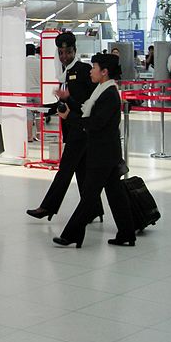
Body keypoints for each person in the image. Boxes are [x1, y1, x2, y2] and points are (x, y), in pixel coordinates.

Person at [53, 53, 136, 248]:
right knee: (115, 195)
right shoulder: (102, 90)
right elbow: (87, 110)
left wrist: (69, 118)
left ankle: (72, 234)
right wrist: (69, 100)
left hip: (103, 153)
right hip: (105, 152)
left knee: (90, 195)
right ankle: (127, 233)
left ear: (104, 72)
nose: (91, 71)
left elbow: (96, 122)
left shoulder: (109, 94)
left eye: (94, 68)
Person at [27, 31, 103, 221]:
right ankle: (94, 208)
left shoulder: (83, 70)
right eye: (61, 53)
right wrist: (46, 107)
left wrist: (68, 100)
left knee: (65, 170)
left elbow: (89, 102)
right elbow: (66, 103)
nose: (64, 56)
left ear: (74, 51)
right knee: (82, 172)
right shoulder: (65, 74)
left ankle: (48, 206)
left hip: (81, 130)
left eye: (68, 52)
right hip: (71, 129)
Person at [26, 43, 40, 142]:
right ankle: (39, 135)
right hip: (39, 92)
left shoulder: (22, 62)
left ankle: (29, 136)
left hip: (26, 91)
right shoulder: (40, 62)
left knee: (28, 114)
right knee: (39, 114)